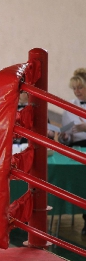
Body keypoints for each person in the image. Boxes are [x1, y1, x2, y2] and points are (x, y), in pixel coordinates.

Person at [57, 68, 86, 235]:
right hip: (77, 148)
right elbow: (65, 138)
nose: (77, 92)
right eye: (74, 88)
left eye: (80, 88)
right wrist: (64, 137)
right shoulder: (69, 106)